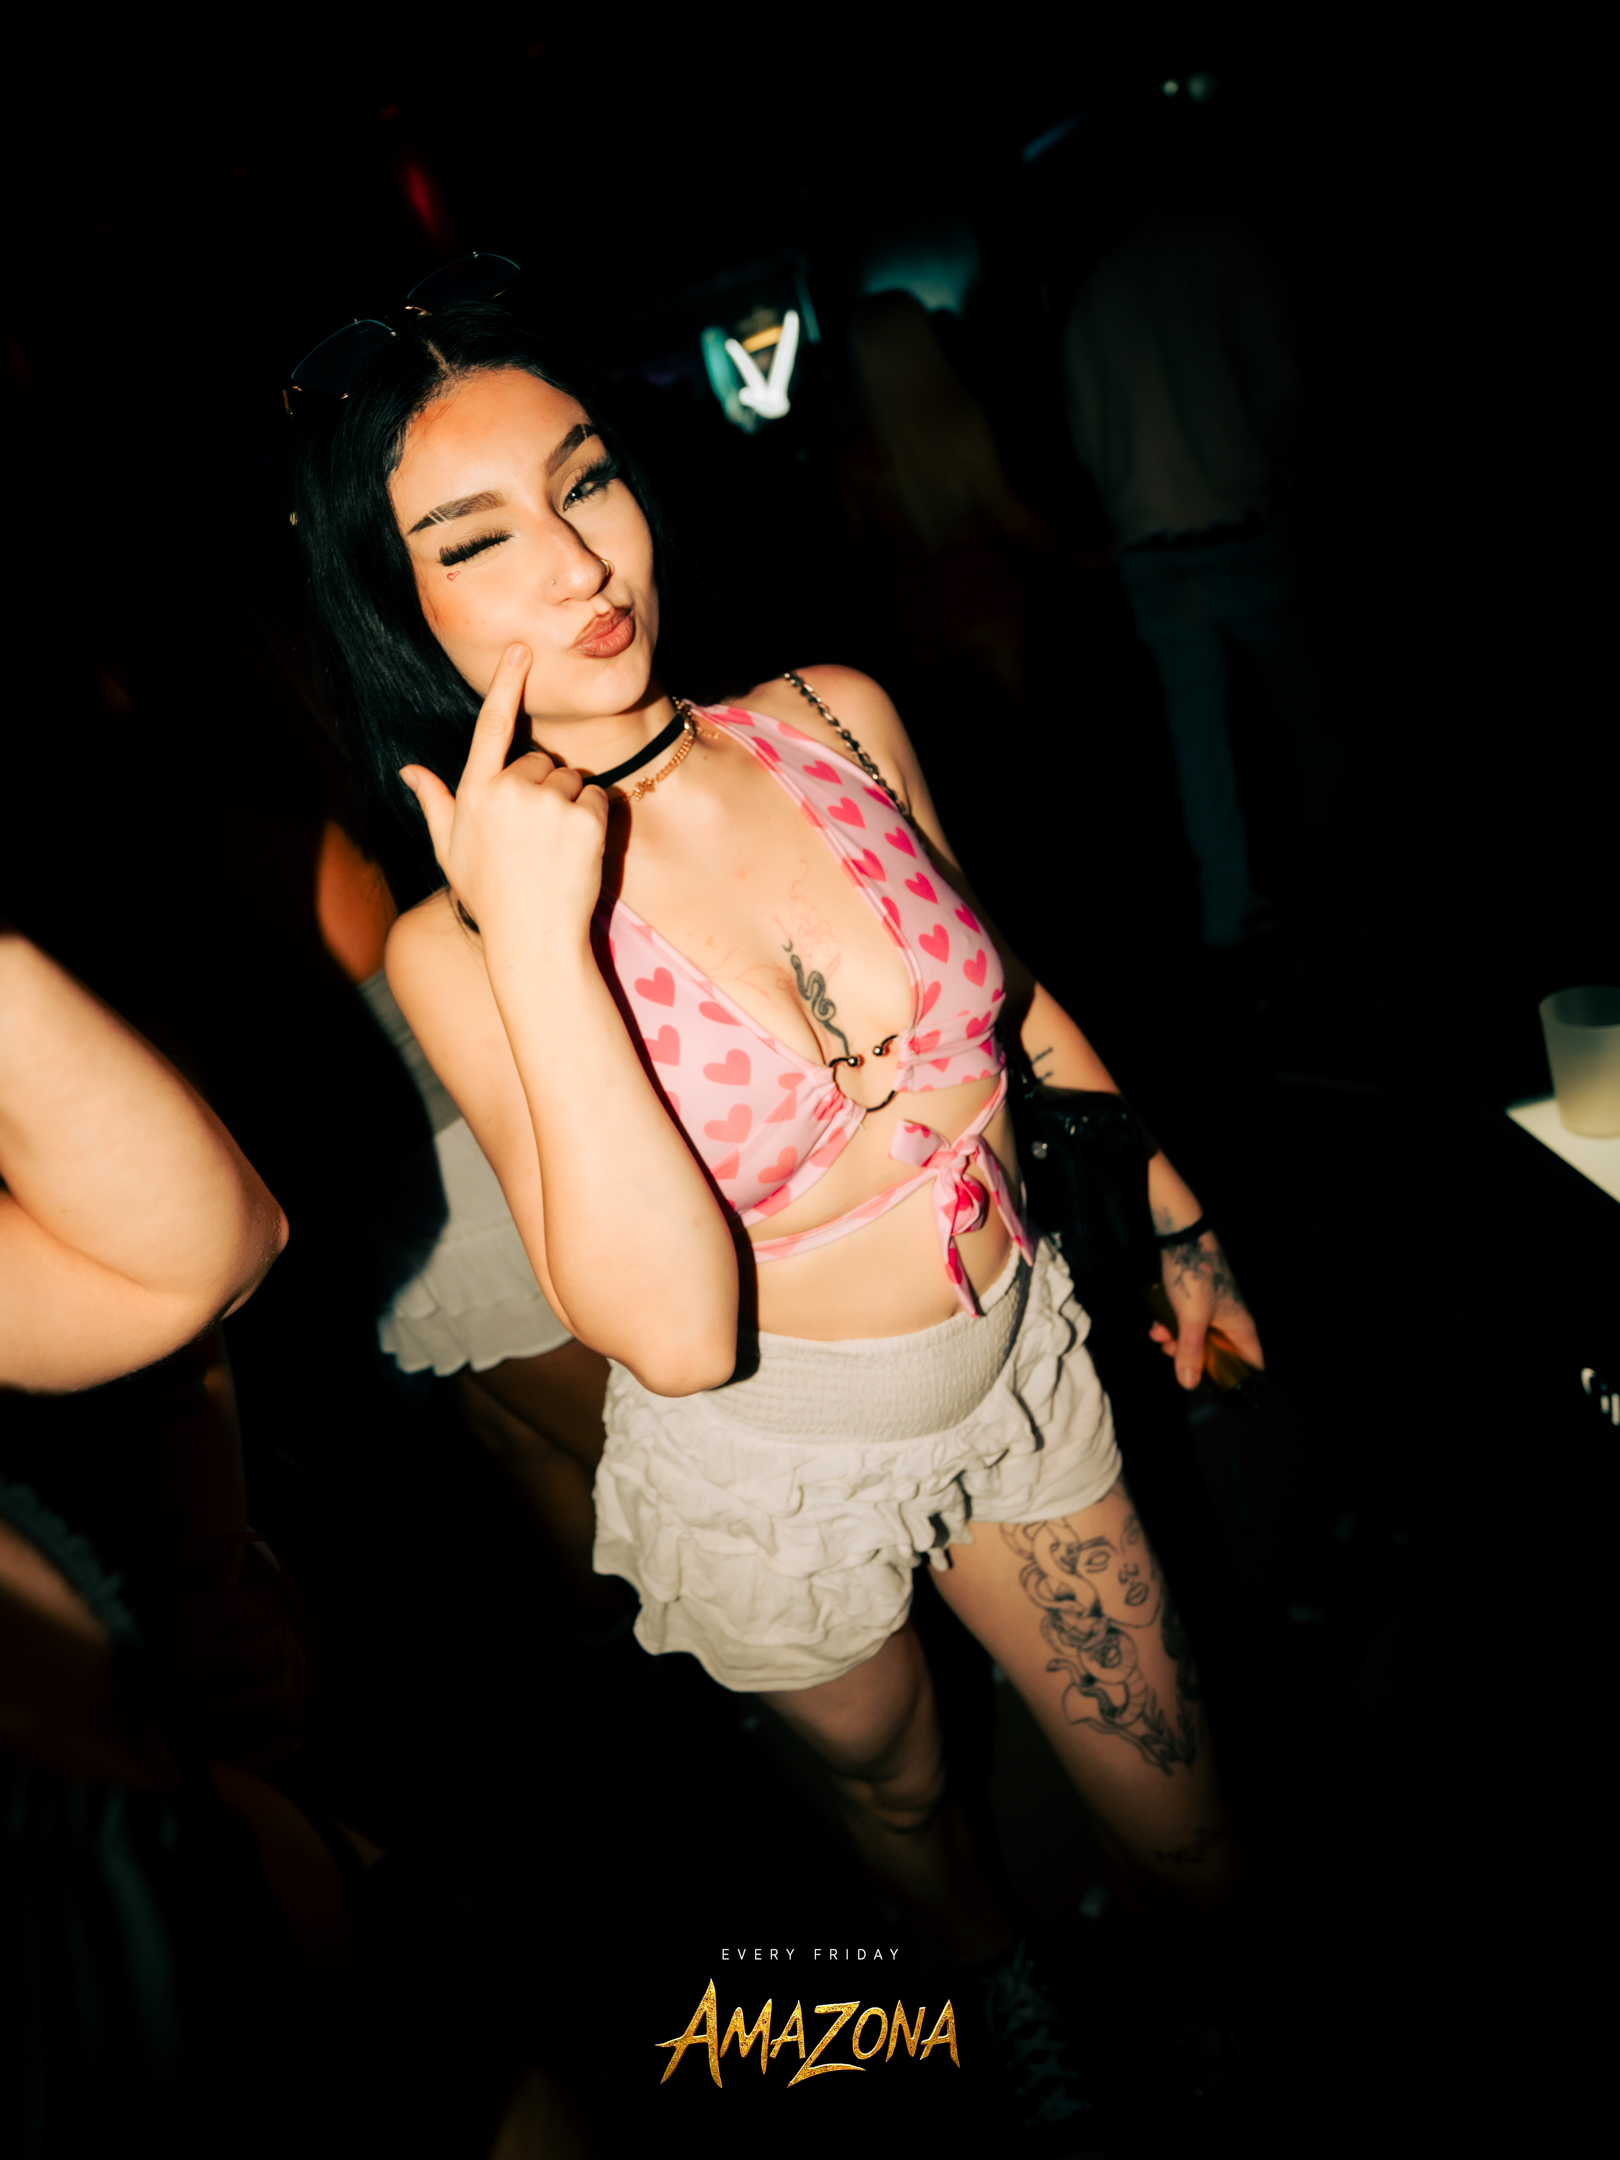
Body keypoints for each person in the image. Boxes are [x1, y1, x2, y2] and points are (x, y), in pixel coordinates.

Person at [290, 294, 1265, 2138]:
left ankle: (1227, 2051)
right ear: (392, 604)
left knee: (1190, 1825)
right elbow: (671, 1337)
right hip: (776, 1459)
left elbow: (1010, 995)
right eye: (475, 541)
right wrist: (541, 932)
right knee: (904, 1792)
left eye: (587, 482)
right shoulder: (460, 940)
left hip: (1013, 1368)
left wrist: (1177, 1210)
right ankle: (996, 1979)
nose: (580, 564)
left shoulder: (835, 714)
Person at [1063, 209, 1346, 954]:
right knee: (1301, 700)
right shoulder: (1223, 242)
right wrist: (1277, 476)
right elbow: (1280, 379)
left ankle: (1230, 908)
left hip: (1148, 540)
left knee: (1199, 737)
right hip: (1239, 518)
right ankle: (1341, 864)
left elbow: (1088, 440)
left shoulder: (1092, 293)